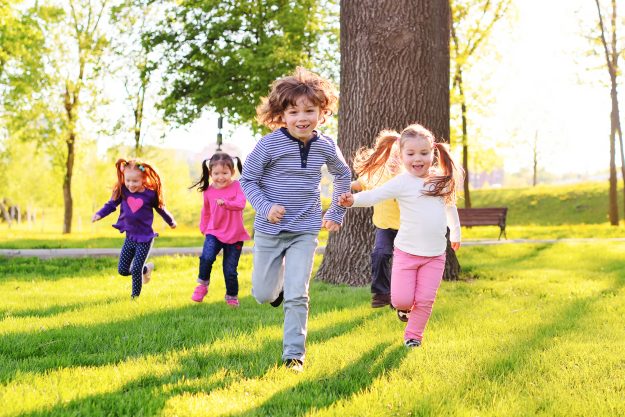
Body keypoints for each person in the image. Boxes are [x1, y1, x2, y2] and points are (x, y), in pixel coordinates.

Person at [240, 67, 351, 372]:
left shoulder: (326, 145)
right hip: (270, 229)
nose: (302, 118)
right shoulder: (268, 145)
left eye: (309, 110)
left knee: (298, 295)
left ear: (322, 112)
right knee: (263, 294)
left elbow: (343, 175)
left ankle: (293, 356)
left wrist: (336, 211)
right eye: (294, 111)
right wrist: (265, 207)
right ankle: (278, 289)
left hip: (305, 228)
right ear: (282, 115)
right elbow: (248, 180)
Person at [339, 124, 462, 348]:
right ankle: (404, 310)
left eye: (424, 153)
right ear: (402, 155)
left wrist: (456, 232)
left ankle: (413, 336)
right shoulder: (401, 182)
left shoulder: (439, 181)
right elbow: (374, 195)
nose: (418, 159)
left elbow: (450, 207)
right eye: (411, 154)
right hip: (406, 252)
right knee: (401, 300)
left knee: (425, 300)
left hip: (435, 255)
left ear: (433, 153)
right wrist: (353, 200)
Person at [93, 159, 176, 299]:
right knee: (123, 270)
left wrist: (171, 221)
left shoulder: (150, 194)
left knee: (136, 268)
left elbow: (161, 209)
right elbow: (111, 205)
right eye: (128, 180)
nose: (131, 185)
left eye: (135, 181)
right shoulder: (123, 191)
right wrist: (99, 214)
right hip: (130, 237)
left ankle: (135, 297)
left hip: (145, 238)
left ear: (143, 179)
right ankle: (146, 269)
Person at [189, 152, 250, 307]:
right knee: (207, 257)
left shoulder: (237, 186)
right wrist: (204, 227)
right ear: (210, 173)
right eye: (216, 173)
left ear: (232, 172)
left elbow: (241, 204)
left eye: (225, 173)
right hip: (214, 232)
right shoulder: (208, 191)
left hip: (235, 235)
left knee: (229, 270)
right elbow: (206, 210)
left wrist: (226, 203)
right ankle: (202, 285)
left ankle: (231, 296)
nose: (220, 177)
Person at [351, 130, 402, 308]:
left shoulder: (408, 174)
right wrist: (344, 186)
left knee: (404, 263)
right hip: (385, 227)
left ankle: (400, 296)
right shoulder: (378, 172)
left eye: (399, 156)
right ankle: (382, 293)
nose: (395, 161)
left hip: (408, 228)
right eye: (392, 156)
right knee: (380, 255)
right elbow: (360, 185)